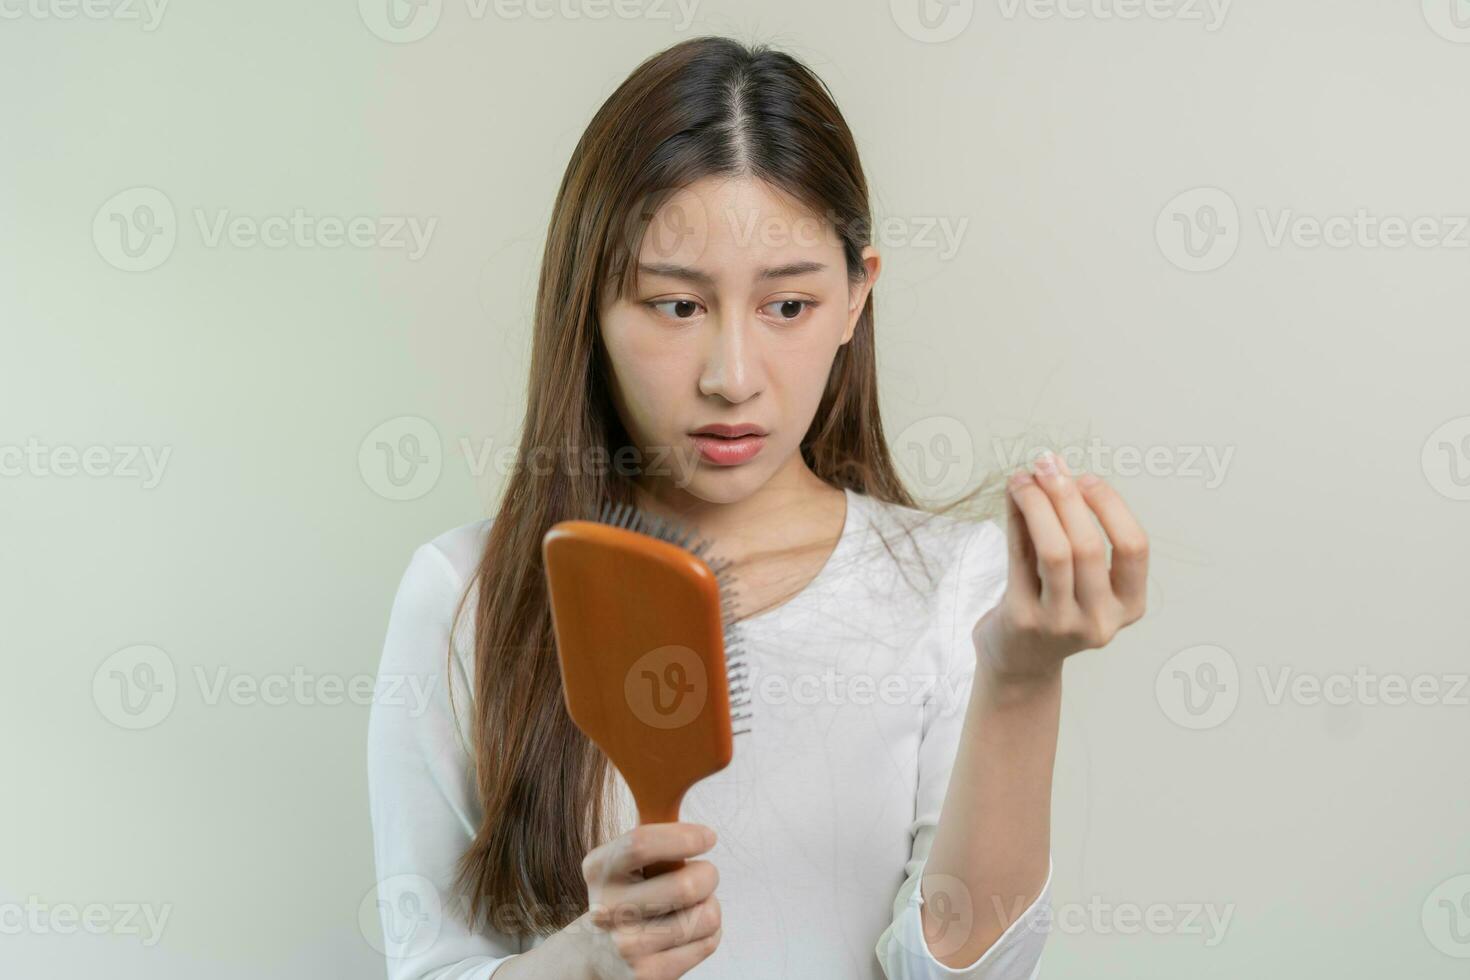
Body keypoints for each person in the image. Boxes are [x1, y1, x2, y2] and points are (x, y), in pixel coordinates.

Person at [367, 34, 1148, 980]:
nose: (733, 380)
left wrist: (1022, 679)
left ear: (858, 296)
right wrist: (581, 965)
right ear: (590, 305)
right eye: (676, 306)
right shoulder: (466, 596)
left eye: (788, 306)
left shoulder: (960, 585)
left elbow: (951, 971)